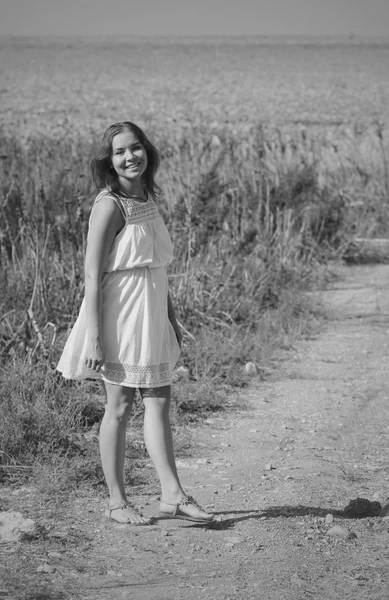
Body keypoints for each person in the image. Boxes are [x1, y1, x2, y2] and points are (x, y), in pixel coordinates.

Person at [57, 121, 214, 525]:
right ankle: (116, 502)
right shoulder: (109, 204)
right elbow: (92, 274)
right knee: (120, 405)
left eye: (136, 147)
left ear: (147, 151)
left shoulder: (148, 196)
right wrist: (93, 337)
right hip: (120, 312)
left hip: (151, 310)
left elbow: (156, 265)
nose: (130, 157)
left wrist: (171, 316)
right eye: (120, 152)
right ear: (109, 161)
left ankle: (172, 495)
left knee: (159, 401)